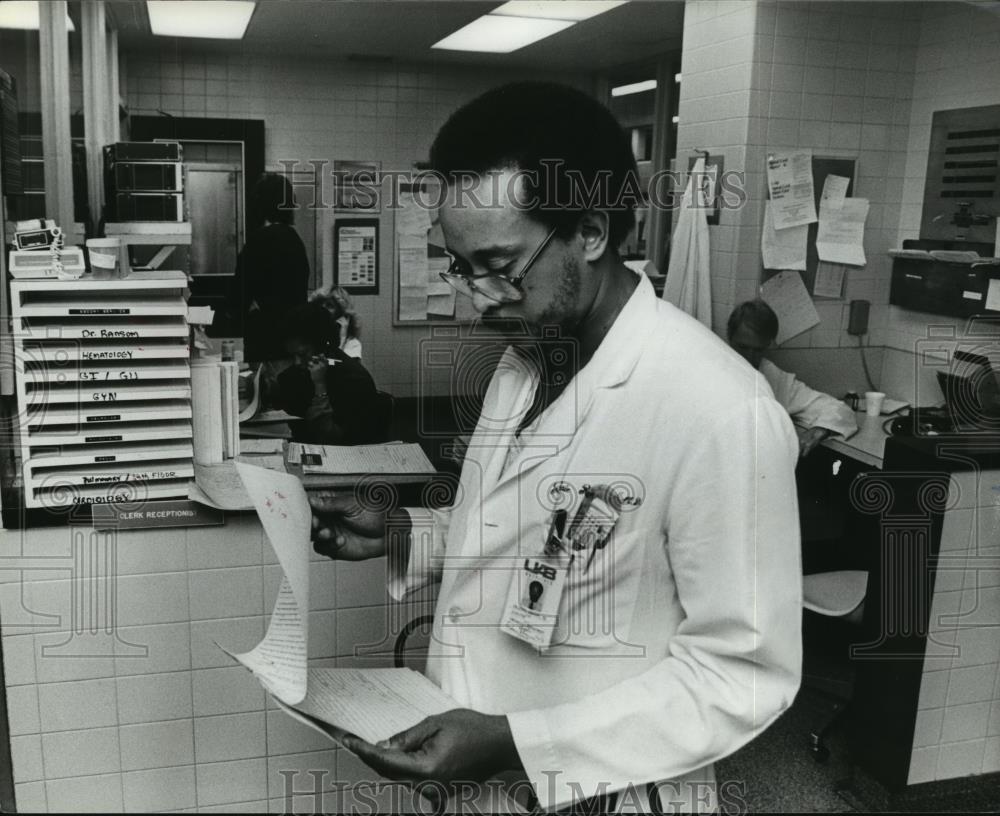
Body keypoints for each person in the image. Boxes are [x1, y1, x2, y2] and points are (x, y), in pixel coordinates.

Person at [310, 82, 802, 812]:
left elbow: (743, 674)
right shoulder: (527, 359)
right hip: (483, 783)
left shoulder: (720, 410)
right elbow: (540, 539)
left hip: (600, 793)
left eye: (501, 266)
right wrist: (408, 534)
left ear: (592, 232)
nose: (478, 298)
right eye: (459, 264)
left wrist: (520, 743)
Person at [727, 299, 858, 457]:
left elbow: (839, 410)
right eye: (742, 347)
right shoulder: (710, 370)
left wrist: (819, 431)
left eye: (758, 350)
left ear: (768, 345)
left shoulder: (772, 376)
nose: (749, 357)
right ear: (729, 339)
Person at [272, 301, 383, 445]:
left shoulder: (354, 379)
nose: (297, 362)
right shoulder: (298, 373)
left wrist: (320, 387)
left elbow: (331, 437)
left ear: (322, 347)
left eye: (303, 354)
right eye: (292, 356)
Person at [231, 173, 310, 363]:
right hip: (293, 340)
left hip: (264, 340)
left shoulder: (259, 241)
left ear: (259, 203)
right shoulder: (295, 240)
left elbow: (239, 295)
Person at [310, 285, 363, 359]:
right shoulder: (312, 339)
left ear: (340, 313)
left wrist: (342, 340)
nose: (322, 309)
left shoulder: (352, 344)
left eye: (329, 305)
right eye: (320, 304)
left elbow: (338, 368)